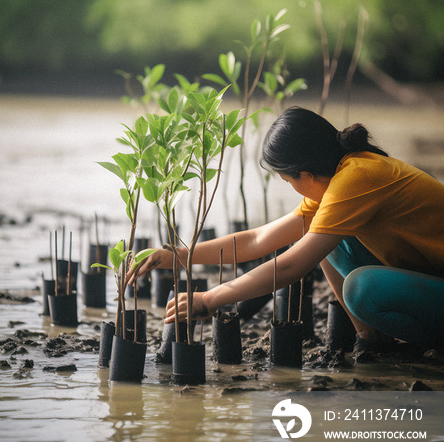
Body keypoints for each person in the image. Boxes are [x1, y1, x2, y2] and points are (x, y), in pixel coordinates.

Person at [128, 106, 444, 347]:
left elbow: (292, 265)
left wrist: (210, 300)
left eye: (287, 179)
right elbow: (257, 239)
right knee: (325, 244)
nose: (292, 187)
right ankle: (371, 341)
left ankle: (429, 348)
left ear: (304, 172)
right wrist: (179, 255)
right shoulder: (337, 180)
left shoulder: (358, 176)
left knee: (361, 287)